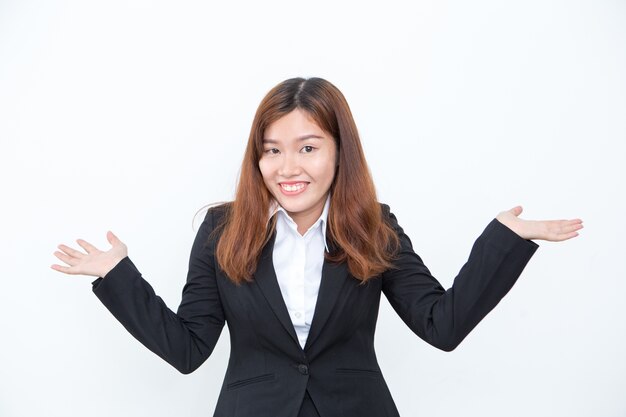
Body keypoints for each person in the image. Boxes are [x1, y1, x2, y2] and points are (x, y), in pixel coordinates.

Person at [51, 77, 583, 417]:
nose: (288, 168)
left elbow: (440, 325)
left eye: (308, 148)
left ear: (338, 151)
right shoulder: (222, 230)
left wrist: (504, 242)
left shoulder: (374, 227)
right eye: (272, 151)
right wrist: (117, 275)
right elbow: (188, 350)